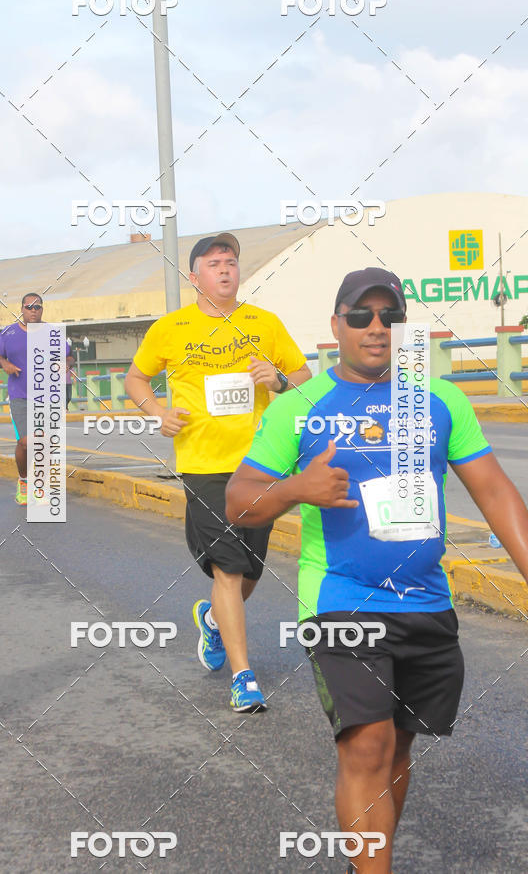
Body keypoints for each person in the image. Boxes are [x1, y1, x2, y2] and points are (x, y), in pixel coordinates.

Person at [225, 267, 528, 872]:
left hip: (425, 603)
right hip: (340, 597)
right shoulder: (300, 407)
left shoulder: (440, 400)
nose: (376, 327)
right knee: (368, 745)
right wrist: (296, 488)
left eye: (389, 315)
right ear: (336, 325)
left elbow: (495, 494)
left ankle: (367, 858)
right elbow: (238, 501)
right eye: (361, 315)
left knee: (395, 751)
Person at [125, 232, 311, 712]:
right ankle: (243, 677)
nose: (226, 269)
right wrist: (156, 412)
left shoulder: (264, 323)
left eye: (231, 261)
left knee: (251, 569)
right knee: (228, 567)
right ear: (195, 277)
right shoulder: (171, 328)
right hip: (203, 465)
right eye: (214, 263)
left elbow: (306, 377)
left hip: (260, 462)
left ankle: (211, 619)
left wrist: (280, 379)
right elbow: (135, 377)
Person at [0, 294, 73, 505]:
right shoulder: (9, 333)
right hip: (20, 396)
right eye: (29, 307)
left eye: (37, 306)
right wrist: (5, 364)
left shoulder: (51, 332)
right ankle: (23, 480)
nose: (33, 310)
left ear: (42, 309)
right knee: (26, 442)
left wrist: (65, 363)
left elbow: (69, 355)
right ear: (22, 309)